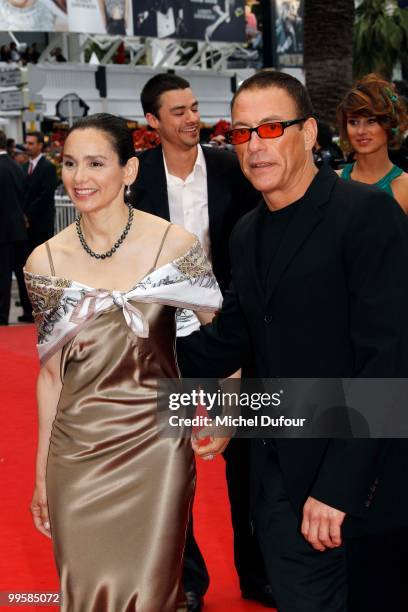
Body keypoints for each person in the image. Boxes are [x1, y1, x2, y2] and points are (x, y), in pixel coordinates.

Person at [176, 69, 408, 611]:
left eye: (272, 128)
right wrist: (131, 330)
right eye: (241, 133)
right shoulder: (247, 232)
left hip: (364, 483)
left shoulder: (366, 214)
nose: (255, 146)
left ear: (307, 135)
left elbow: (388, 360)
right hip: (279, 481)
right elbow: (230, 340)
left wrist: (338, 488)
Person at [24, 113, 221, 611]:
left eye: (95, 163)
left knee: (153, 591)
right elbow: (51, 377)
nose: (79, 177)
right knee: (86, 593)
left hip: (156, 449)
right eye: (69, 163)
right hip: (77, 455)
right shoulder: (43, 262)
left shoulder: (172, 247)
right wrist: (42, 472)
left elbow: (222, 335)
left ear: (129, 171)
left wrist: (226, 411)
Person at [132, 73, 274, 611]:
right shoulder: (137, 176)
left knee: (249, 453)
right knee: (171, 456)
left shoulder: (227, 166)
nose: (192, 119)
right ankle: (188, 579)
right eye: (178, 112)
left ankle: (258, 573)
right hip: (165, 332)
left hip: (231, 323)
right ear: (153, 122)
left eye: (194, 108)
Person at [337, 73, 408, 214]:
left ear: (388, 124)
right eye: (353, 122)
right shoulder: (333, 182)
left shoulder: (405, 188)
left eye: (371, 121)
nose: (360, 131)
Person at [0, 130, 30, 325]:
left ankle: (1, 316)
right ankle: (29, 312)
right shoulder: (17, 167)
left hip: (1, 231)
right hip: (19, 229)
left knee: (2, 276)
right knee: (21, 275)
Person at [23, 131, 58, 257]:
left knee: (43, 259)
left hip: (42, 223)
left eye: (31, 143)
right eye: (26, 143)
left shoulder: (48, 167)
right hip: (26, 225)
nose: (27, 146)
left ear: (40, 145)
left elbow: (46, 195)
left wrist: (28, 216)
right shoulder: (24, 166)